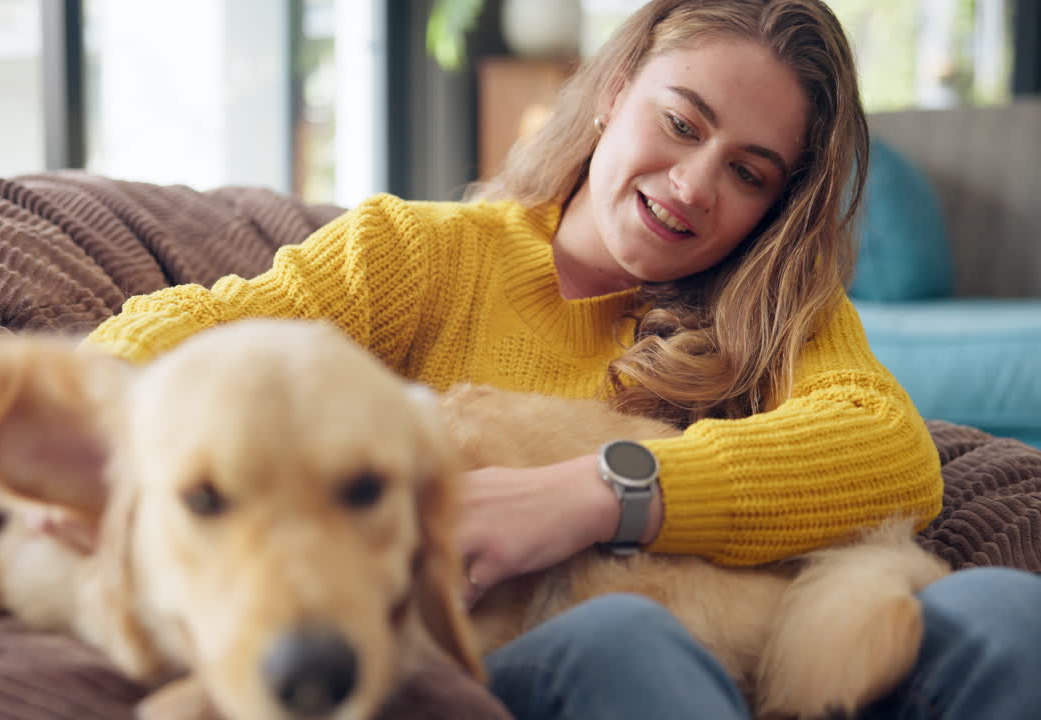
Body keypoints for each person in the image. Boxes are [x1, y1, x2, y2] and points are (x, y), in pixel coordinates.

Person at [85, 0, 1041, 717]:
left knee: (1005, 613)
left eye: (748, 172)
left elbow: (891, 454)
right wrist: (93, 449)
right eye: (682, 122)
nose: (693, 185)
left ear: (775, 208)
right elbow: (182, 333)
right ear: (614, 95)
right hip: (499, 653)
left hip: (771, 644)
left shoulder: (771, 308)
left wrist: (597, 493)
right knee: (627, 638)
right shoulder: (417, 254)